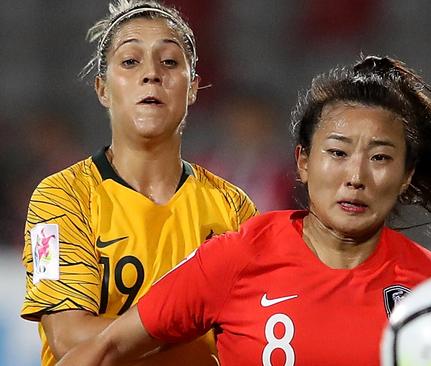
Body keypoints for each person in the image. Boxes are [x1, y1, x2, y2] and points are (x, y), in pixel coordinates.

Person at [58, 55, 431, 366]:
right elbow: (104, 349)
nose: (356, 176)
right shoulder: (238, 258)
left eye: (380, 158)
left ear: (407, 174)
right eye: (337, 153)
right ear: (302, 162)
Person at [21, 1, 257, 365]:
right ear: (102, 89)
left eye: (169, 62)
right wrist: (188, 331)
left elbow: (253, 335)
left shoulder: (234, 207)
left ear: (193, 88)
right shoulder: (58, 200)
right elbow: (68, 336)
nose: (152, 74)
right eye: (130, 61)